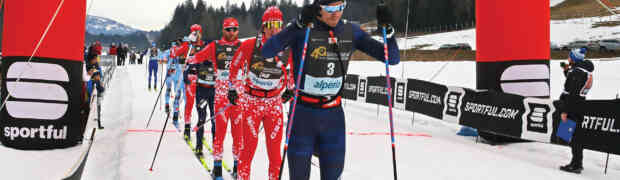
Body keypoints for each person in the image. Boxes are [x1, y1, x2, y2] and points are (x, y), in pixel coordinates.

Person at [261, 0, 400, 179]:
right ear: (318, 7)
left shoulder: (351, 31)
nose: (336, 13)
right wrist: (296, 25)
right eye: (330, 9)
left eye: (341, 7)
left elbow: (392, 57)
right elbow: (267, 51)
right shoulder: (303, 29)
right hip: (302, 115)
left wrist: (388, 30)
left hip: (332, 116)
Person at [229, 7, 294, 180]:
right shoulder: (250, 45)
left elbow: (293, 71)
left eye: (278, 24)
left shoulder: (288, 48)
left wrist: (291, 88)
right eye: (270, 24)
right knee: (247, 152)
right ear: (263, 27)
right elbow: (234, 67)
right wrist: (232, 88)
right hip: (252, 102)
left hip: (273, 103)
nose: (274, 29)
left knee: (275, 155)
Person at [187, 17, 242, 180]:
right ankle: (217, 167)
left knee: (238, 135)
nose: (231, 32)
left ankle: (237, 167)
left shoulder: (243, 46)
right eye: (228, 29)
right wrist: (188, 60)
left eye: (234, 29)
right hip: (221, 97)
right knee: (220, 133)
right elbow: (197, 57)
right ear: (223, 30)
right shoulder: (215, 46)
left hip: (239, 98)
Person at [559, 48, 593, 174]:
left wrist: (565, 111)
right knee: (572, 136)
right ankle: (576, 162)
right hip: (579, 104)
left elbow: (572, 93)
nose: (568, 59)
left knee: (574, 137)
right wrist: (566, 70)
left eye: (570, 57)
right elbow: (572, 80)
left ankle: (576, 164)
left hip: (573, 106)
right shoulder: (581, 71)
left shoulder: (578, 73)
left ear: (574, 59)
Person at [181, 24, 207, 143]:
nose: (196, 35)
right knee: (190, 104)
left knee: (201, 106)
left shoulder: (204, 45)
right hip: (191, 77)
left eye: (198, 32)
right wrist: (184, 75)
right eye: (193, 33)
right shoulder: (188, 46)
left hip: (202, 79)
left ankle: (200, 129)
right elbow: (183, 60)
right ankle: (187, 127)